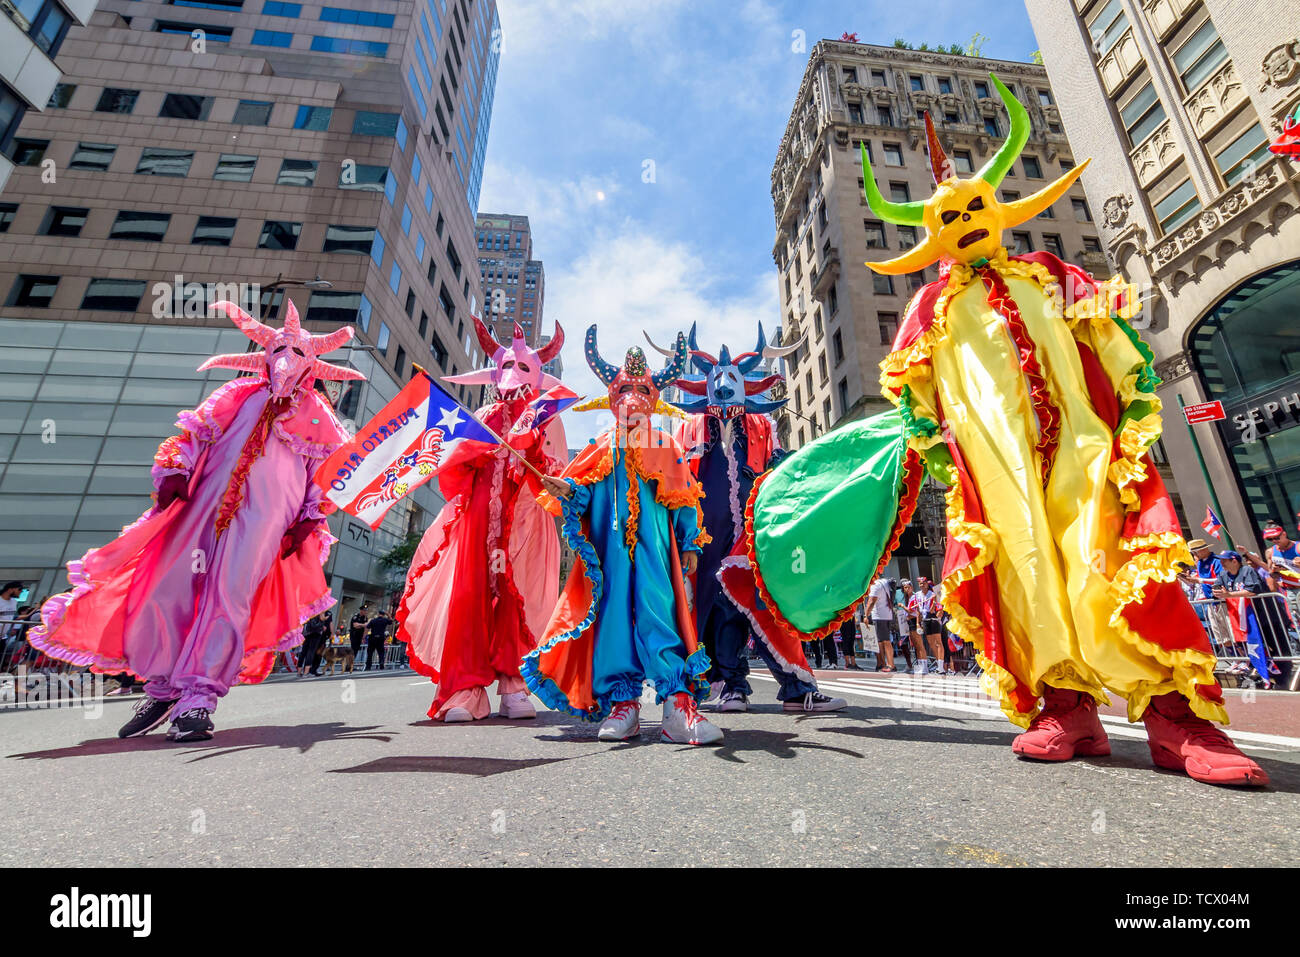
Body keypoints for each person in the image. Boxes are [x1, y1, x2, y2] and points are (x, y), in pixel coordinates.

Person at [860, 80, 1263, 785]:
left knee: (1110, 565)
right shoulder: (928, 310)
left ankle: (1177, 716)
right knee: (1027, 579)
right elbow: (915, 403)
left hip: (1082, 450)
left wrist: (1131, 422)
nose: (968, 219)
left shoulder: (1052, 272)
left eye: (977, 205)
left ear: (1001, 208)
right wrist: (953, 473)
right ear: (936, 236)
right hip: (1000, 475)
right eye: (951, 217)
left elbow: (1117, 346)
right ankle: (1066, 705)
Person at [28, 299, 362, 743]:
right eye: (278, 350)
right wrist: (174, 471)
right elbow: (193, 435)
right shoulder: (236, 395)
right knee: (168, 588)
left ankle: (199, 697)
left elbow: (327, 473)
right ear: (262, 355)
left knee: (231, 595)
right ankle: (164, 688)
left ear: (314, 363)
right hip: (202, 505)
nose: (285, 360)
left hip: (266, 517)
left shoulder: (319, 414)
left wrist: (310, 516)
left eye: (298, 353)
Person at [525, 332, 723, 745]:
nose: (632, 398)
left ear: (653, 398)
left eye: (641, 390)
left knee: (660, 612)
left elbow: (684, 497)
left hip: (655, 551)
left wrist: (688, 545)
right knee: (613, 617)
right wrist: (568, 491)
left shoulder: (665, 444)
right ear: (612, 399)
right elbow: (585, 493)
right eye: (624, 390)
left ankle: (677, 703)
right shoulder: (602, 446)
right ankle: (624, 702)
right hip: (613, 552)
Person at [395, 318, 569, 722]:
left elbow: (559, 478)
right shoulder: (482, 413)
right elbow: (452, 474)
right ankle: (466, 689)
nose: (513, 374)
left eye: (524, 367)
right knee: (470, 596)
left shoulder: (548, 417)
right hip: (478, 518)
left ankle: (515, 684)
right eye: (507, 365)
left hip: (524, 519)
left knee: (516, 597)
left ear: (538, 374)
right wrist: (470, 452)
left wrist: (538, 455)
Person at [665, 322, 843, 714]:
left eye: (733, 381)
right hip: (703, 539)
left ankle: (789, 687)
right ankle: (731, 685)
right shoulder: (687, 428)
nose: (725, 389)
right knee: (712, 609)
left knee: (761, 603)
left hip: (754, 533)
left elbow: (780, 473)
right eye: (717, 381)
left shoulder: (762, 426)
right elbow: (674, 482)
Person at [1213, 552, 1278, 689]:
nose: (1222, 563)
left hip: (1258, 615)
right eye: (1221, 560)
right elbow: (1217, 589)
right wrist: (1218, 592)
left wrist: (1229, 594)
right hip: (1237, 618)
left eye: (1225, 560)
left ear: (1234, 561)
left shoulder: (1247, 571)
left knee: (1263, 644)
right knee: (1244, 646)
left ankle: (1271, 673)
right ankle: (1259, 674)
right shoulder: (1223, 575)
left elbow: (1252, 590)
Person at [908, 577, 944, 675]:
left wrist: (934, 600)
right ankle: (938, 664)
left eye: (924, 583)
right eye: (920, 583)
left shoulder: (933, 594)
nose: (922, 585)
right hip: (925, 620)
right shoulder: (917, 596)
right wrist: (917, 624)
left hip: (933, 618)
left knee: (938, 642)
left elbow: (935, 609)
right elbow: (918, 611)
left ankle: (941, 667)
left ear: (927, 584)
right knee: (931, 644)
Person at [865, 576, 896, 672]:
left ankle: (891, 664)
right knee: (880, 641)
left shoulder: (875, 585)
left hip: (879, 616)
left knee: (885, 640)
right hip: (887, 614)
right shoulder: (885, 582)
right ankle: (882, 663)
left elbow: (872, 601)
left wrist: (866, 615)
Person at [298, 610, 332, 677]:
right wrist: (325, 618)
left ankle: (299, 672)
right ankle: (306, 672)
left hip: (307, 632)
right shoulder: (320, 609)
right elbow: (322, 618)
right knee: (311, 652)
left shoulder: (308, 609)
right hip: (316, 633)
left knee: (303, 652)